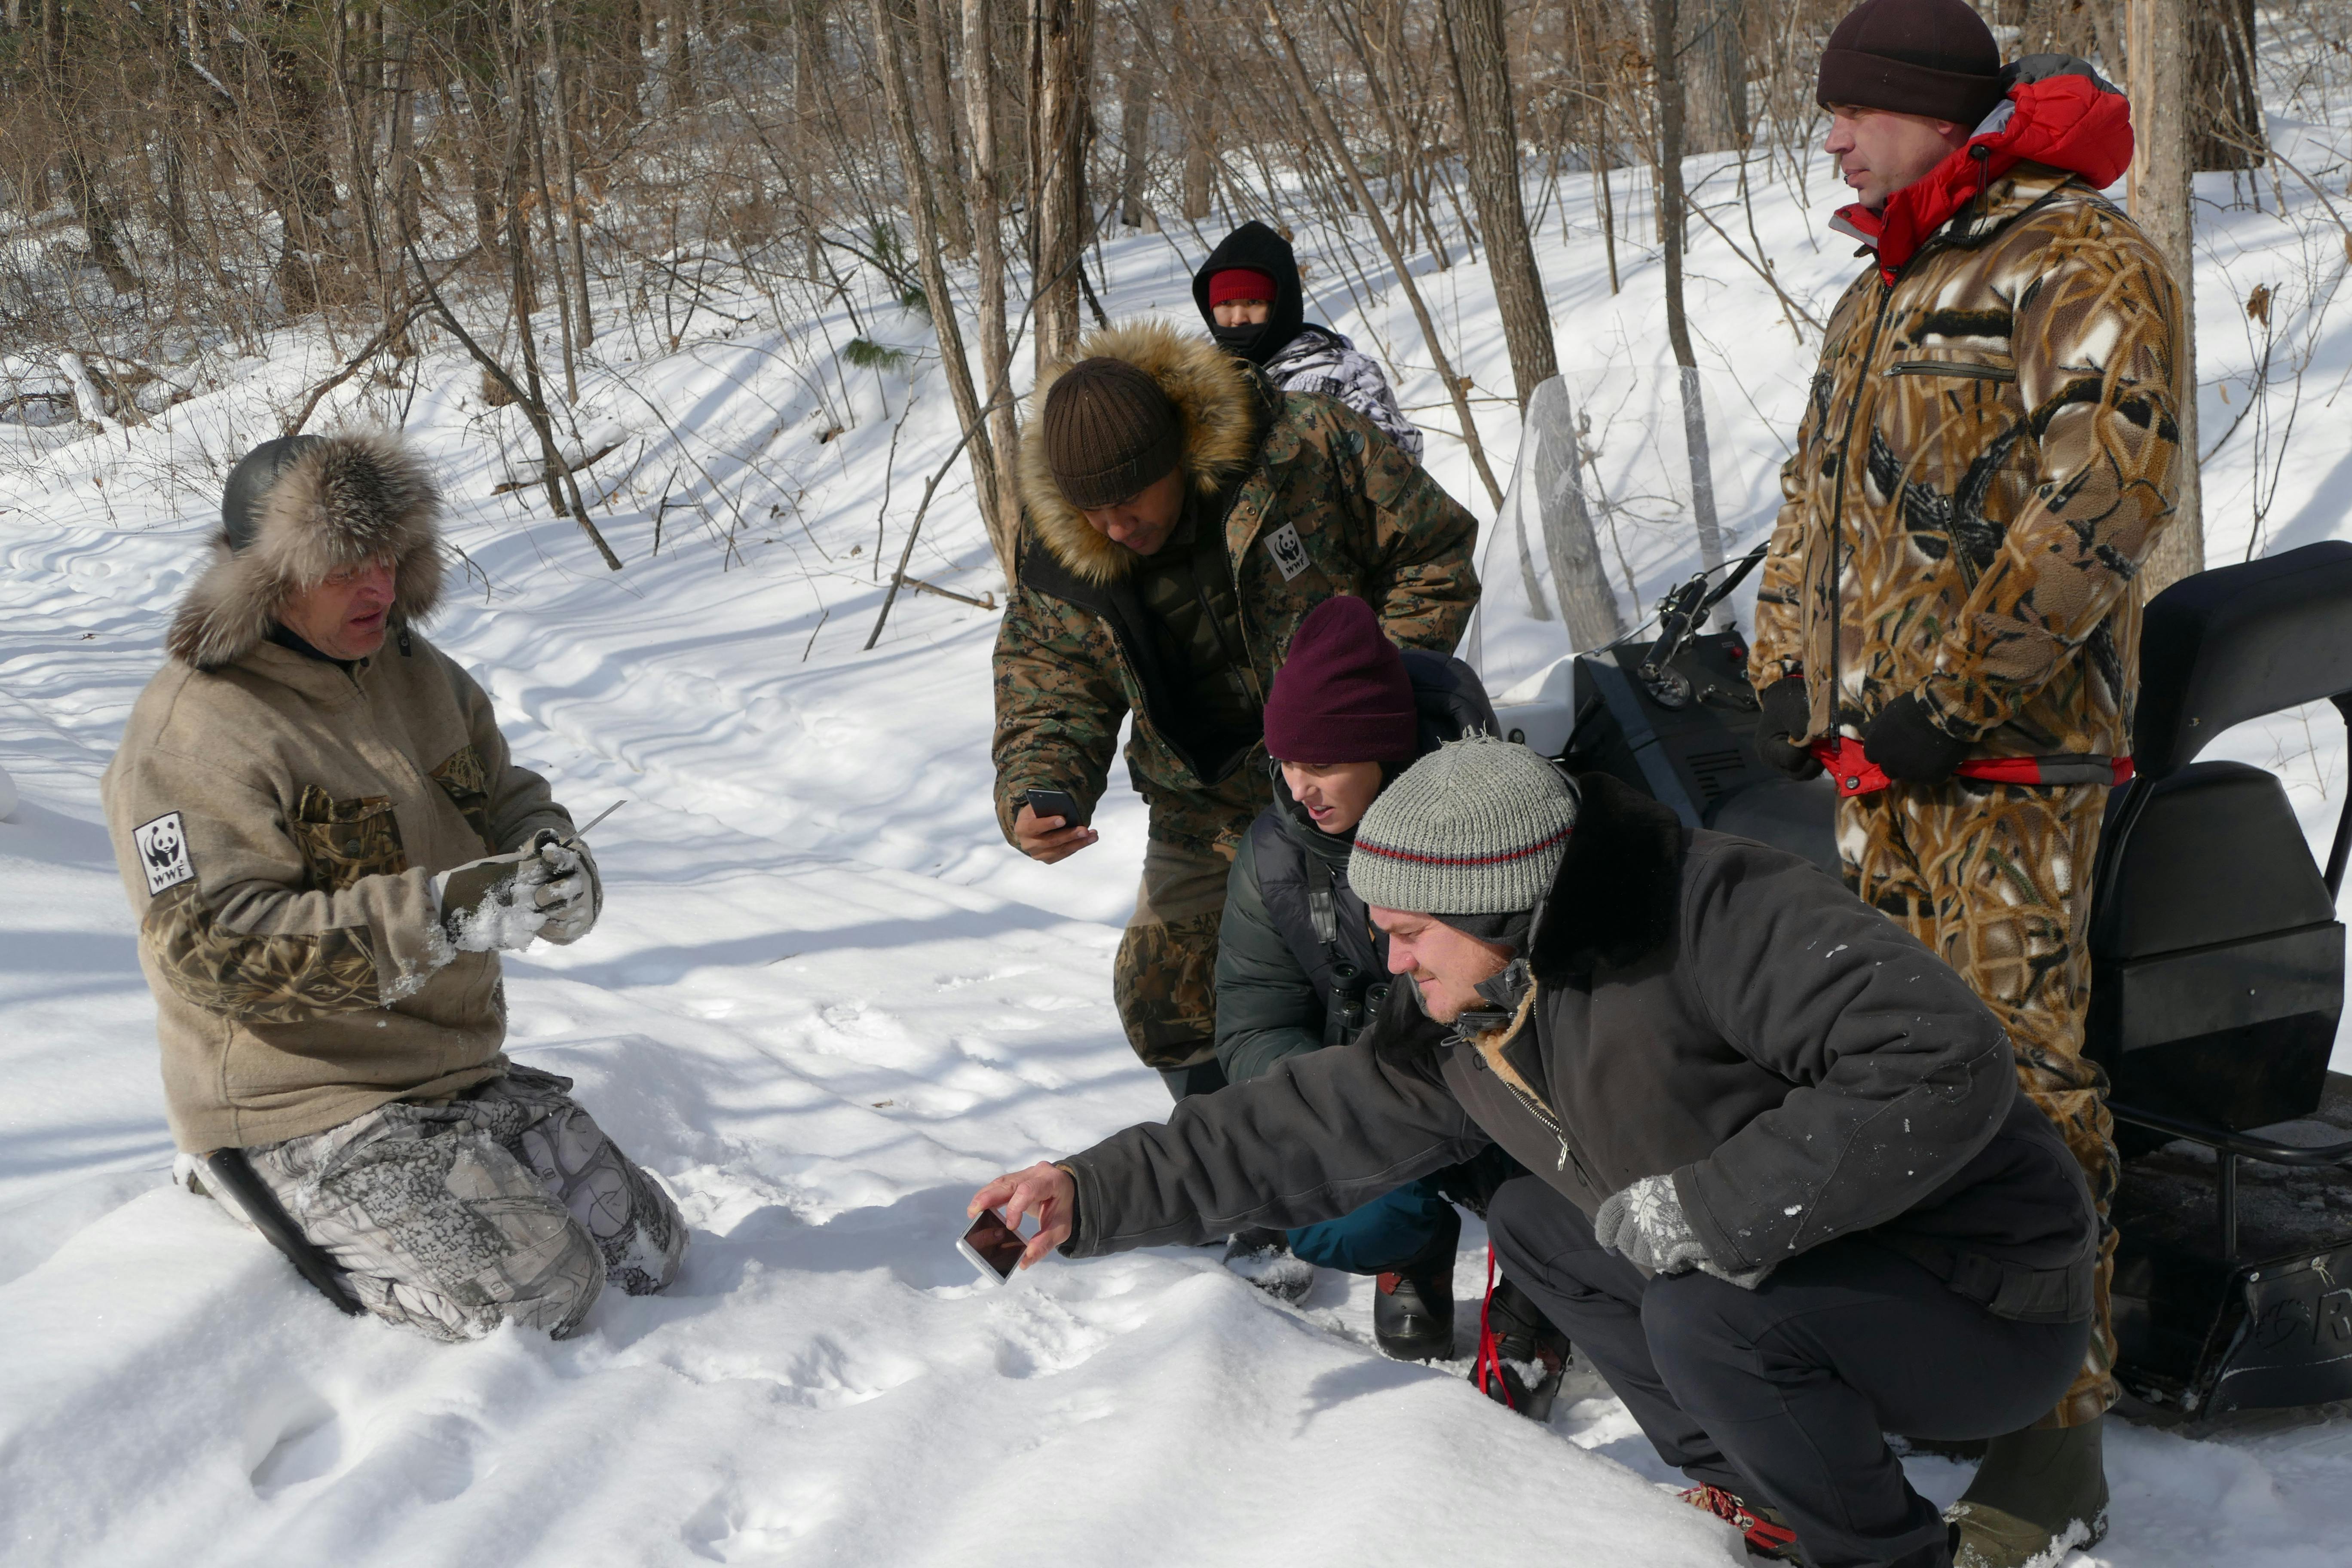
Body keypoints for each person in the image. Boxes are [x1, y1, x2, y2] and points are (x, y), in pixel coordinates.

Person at [972, 738, 2098, 1568]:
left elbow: (1940, 1060)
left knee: (1699, 1312)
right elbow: (1301, 1124)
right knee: (1542, 1223)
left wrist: (1714, 1211)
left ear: (1499, 903)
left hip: (1985, 1298)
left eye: (1411, 932)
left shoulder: (1715, 912)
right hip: (1822, 1280)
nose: (1392, 958)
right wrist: (1090, 1190)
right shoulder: (1475, 1020)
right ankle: (1759, 1490)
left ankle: (1891, 1560)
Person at [1746, 3, 2184, 1558]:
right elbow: (1811, 498)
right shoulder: (1881, 287)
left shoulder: (2077, 259)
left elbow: (2110, 489)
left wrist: (1957, 680)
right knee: (1901, 1080)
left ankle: (2054, 1449)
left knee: (2023, 1085)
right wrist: (1785, 664)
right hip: (1882, 774)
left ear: (1932, 109)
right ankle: (1945, 1370)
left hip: (2005, 770)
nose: (1832, 139)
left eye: (1852, 112)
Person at [102, 432, 685, 1341]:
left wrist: (548, 851)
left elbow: (502, 793)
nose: (378, 587)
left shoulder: (419, 674)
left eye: (390, 558)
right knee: (544, 1295)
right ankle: (235, 1192)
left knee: (650, 1252)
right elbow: (211, 952)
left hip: (450, 1072)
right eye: (345, 568)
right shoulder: (195, 728)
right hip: (296, 1106)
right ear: (268, 578)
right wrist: (443, 916)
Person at [993, 319, 1479, 1098]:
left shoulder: (1305, 445)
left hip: (1362, 770)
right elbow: (1050, 672)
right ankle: (1241, 1158)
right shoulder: (1061, 545)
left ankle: (1436, 1117)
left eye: (1126, 500)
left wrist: (1371, 696)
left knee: (1402, 955)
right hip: (1204, 801)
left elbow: (1433, 550)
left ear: (1175, 456)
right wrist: (1039, 788)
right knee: (1163, 992)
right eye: (1091, 511)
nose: (1112, 527)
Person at [1214, 595, 1561, 1395]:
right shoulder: (1273, 855)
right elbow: (1254, 1023)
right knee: (1344, 1213)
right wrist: (1349, 1101)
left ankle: (1538, 1301)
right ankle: (1414, 1251)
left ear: (1384, 747)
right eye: (1288, 762)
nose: (1301, 787)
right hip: (1378, 1089)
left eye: (1325, 763)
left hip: (1506, 1086)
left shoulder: (1498, 820)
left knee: (1571, 1211)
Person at [1193, 220, 1422, 460]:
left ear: (1281, 306)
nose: (1238, 319)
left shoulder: (1345, 373)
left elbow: (1401, 455)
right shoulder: (1199, 382)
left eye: (1253, 303)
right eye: (1225, 304)